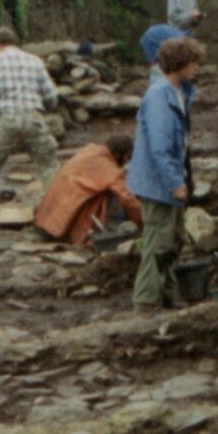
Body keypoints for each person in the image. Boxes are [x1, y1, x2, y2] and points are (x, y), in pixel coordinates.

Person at [0, 27, 62, 227]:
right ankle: (58, 219)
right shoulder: (35, 61)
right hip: (33, 118)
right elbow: (51, 97)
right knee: (49, 167)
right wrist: (46, 109)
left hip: (5, 120)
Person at [128, 37, 202, 308]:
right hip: (156, 181)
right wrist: (174, 182)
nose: (197, 67)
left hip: (171, 177)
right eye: (193, 62)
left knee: (173, 238)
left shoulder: (180, 92)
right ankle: (146, 301)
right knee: (158, 240)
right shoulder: (159, 95)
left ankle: (168, 293)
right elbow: (160, 147)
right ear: (179, 63)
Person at [34, 135, 143, 249]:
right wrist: (143, 219)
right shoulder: (109, 169)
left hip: (48, 215)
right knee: (115, 196)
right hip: (66, 217)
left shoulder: (91, 149)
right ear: (117, 154)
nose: (127, 162)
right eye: (127, 157)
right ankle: (109, 228)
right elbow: (127, 198)